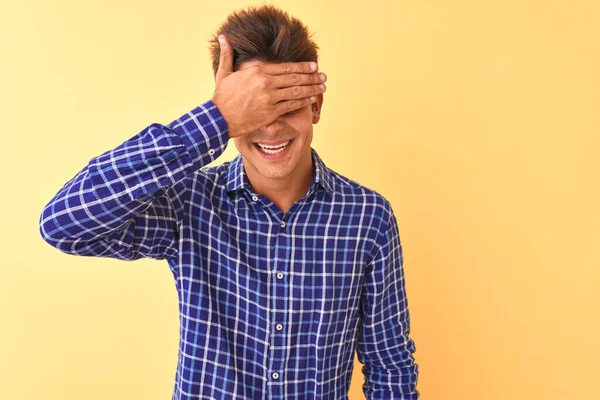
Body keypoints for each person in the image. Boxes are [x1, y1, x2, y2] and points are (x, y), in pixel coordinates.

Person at [39, 5, 419, 400]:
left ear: (316, 106)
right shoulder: (190, 203)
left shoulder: (368, 217)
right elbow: (63, 225)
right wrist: (214, 118)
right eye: (253, 109)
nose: (271, 127)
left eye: (285, 104)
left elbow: (389, 363)